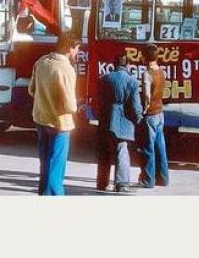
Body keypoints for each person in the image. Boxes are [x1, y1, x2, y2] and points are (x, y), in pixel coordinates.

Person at [28, 32, 82, 196]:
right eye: (77, 48)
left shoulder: (41, 62)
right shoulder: (66, 69)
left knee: (45, 163)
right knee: (56, 166)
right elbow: (68, 105)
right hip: (60, 124)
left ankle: (43, 193)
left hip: (40, 119)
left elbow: (31, 90)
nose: (77, 53)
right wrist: (77, 106)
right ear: (69, 48)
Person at [95, 54, 143, 193]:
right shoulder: (132, 81)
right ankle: (121, 184)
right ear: (127, 65)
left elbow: (99, 100)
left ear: (114, 64)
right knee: (121, 150)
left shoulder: (104, 79)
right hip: (122, 120)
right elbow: (135, 105)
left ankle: (102, 182)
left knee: (104, 152)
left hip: (105, 119)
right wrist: (138, 117)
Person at [137, 44, 169, 188]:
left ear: (144, 57)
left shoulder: (147, 73)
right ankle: (163, 178)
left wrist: (143, 110)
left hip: (150, 114)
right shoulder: (162, 72)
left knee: (148, 148)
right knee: (160, 146)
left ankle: (148, 180)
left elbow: (147, 97)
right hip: (160, 112)